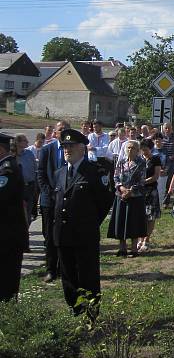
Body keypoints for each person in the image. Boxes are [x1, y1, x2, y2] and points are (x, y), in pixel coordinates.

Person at [52, 129, 114, 314]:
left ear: (82, 148)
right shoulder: (59, 173)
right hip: (63, 235)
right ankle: (75, 308)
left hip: (84, 234)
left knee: (88, 275)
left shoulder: (94, 172)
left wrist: (89, 222)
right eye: (64, 147)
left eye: (71, 146)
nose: (67, 150)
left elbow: (104, 202)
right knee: (68, 275)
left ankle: (91, 313)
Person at [37, 119, 70, 282]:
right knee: (50, 236)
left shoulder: (74, 150)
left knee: (65, 235)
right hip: (49, 200)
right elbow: (41, 174)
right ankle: (51, 270)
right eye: (59, 130)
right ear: (55, 132)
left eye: (65, 129)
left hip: (67, 201)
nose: (62, 132)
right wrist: (49, 193)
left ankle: (63, 269)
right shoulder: (47, 150)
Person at [107, 140, 147, 257]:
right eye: (128, 148)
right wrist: (121, 188)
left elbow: (141, 180)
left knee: (134, 222)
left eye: (133, 148)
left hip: (135, 196)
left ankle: (134, 248)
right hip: (121, 196)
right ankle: (122, 248)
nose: (130, 150)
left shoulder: (141, 162)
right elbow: (115, 177)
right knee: (121, 221)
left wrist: (130, 191)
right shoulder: (121, 161)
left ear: (137, 150)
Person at [0, 133, 27, 301]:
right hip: (5, 233)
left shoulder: (7, 169)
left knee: (6, 281)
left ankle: (8, 315)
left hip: (8, 235)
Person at [138, 139, 161, 252]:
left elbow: (156, 176)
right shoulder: (139, 159)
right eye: (142, 150)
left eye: (146, 150)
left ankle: (146, 239)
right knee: (140, 216)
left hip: (151, 190)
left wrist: (143, 181)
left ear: (150, 149)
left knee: (150, 217)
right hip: (140, 192)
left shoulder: (155, 159)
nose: (144, 152)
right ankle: (140, 239)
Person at [15, 134, 37, 226]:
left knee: (28, 211)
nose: (27, 142)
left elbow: (35, 168)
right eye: (25, 140)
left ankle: (26, 231)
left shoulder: (29, 153)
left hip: (30, 187)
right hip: (18, 188)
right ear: (18, 142)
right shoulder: (12, 156)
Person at [160, 122, 174, 206]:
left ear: (171, 129)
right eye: (166, 128)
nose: (167, 130)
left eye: (169, 128)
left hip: (172, 163)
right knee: (161, 182)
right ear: (163, 129)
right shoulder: (161, 138)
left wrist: (173, 156)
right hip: (162, 162)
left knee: (169, 182)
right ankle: (160, 199)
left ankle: (166, 201)